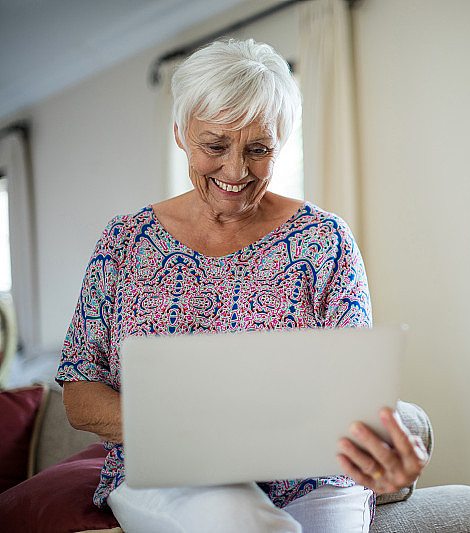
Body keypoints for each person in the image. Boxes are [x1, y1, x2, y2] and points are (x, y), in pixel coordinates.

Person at [56, 38, 427, 533]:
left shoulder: (325, 240)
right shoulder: (124, 243)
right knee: (235, 518)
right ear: (180, 134)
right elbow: (81, 393)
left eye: (259, 149)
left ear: (281, 144)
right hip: (173, 473)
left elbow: (353, 392)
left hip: (311, 480)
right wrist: (190, 431)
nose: (236, 171)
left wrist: (383, 451)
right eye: (214, 146)